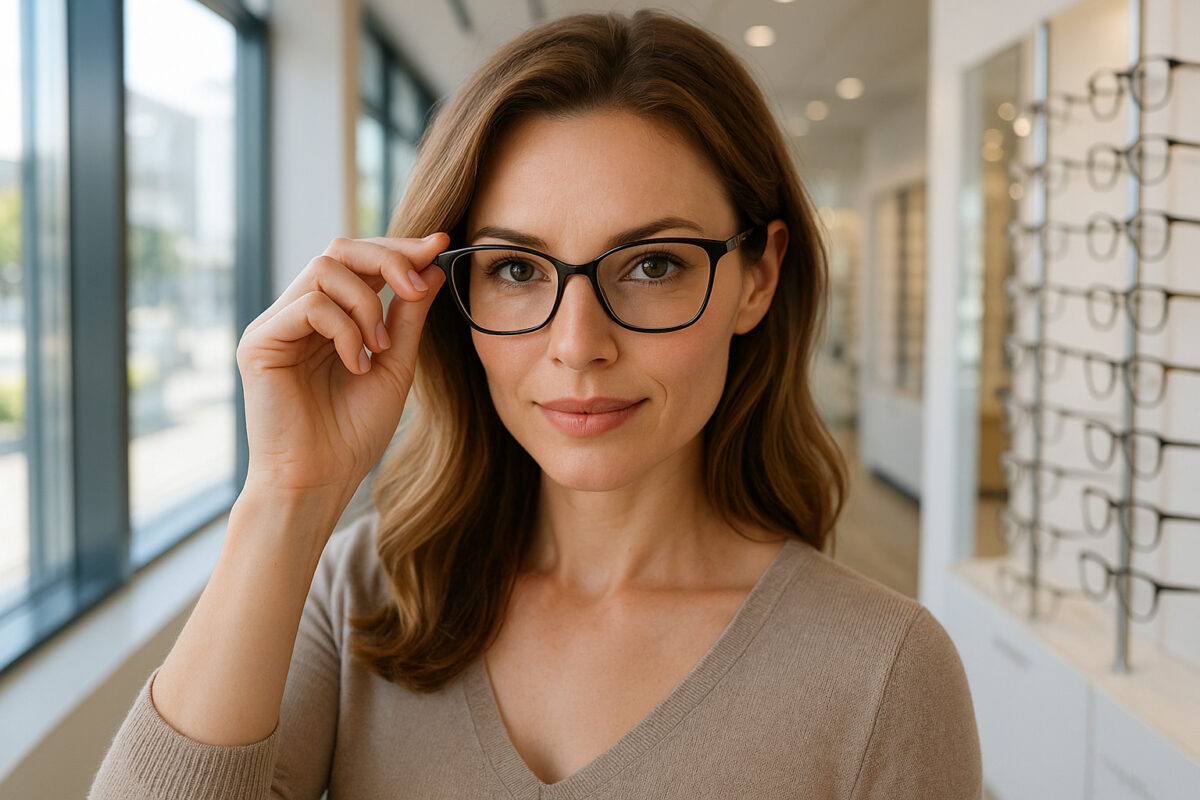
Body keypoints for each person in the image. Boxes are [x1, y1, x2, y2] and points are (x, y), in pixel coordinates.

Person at [89, 9, 982, 799]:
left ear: (759, 276)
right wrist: (285, 493)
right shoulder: (364, 596)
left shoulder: (884, 674)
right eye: (516, 269)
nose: (578, 344)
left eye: (654, 265)